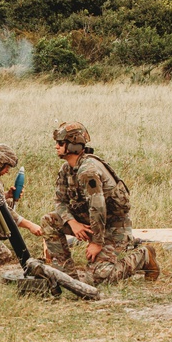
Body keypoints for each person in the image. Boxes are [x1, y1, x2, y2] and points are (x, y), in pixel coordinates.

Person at [41, 122, 159, 285]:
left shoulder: (88, 171)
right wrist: (72, 222)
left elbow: (98, 208)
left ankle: (144, 256)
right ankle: (67, 278)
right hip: (89, 223)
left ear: (74, 145)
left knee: (98, 279)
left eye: (60, 143)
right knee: (49, 221)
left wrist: (97, 242)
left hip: (113, 227)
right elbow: (60, 201)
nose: (56, 146)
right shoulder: (66, 169)